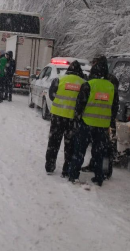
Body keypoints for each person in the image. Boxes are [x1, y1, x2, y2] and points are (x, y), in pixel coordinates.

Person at [68, 56, 119, 186]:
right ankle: (99, 177)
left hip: (87, 124)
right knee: (99, 153)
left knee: (79, 151)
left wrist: (77, 119)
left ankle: (73, 175)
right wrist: (110, 121)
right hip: (102, 126)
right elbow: (115, 107)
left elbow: (80, 105)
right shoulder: (111, 87)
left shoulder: (88, 85)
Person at [81, 56, 120, 179]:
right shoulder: (110, 79)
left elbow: (112, 100)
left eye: (94, 62)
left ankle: (105, 170)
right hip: (104, 119)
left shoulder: (107, 80)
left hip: (100, 119)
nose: (93, 65)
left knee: (104, 148)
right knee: (100, 147)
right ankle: (96, 167)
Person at [45, 60, 86, 177]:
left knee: (53, 143)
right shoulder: (83, 83)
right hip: (72, 119)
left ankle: (50, 166)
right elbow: (83, 101)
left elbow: (51, 95)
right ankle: (66, 169)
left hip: (57, 116)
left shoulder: (59, 79)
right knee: (70, 145)